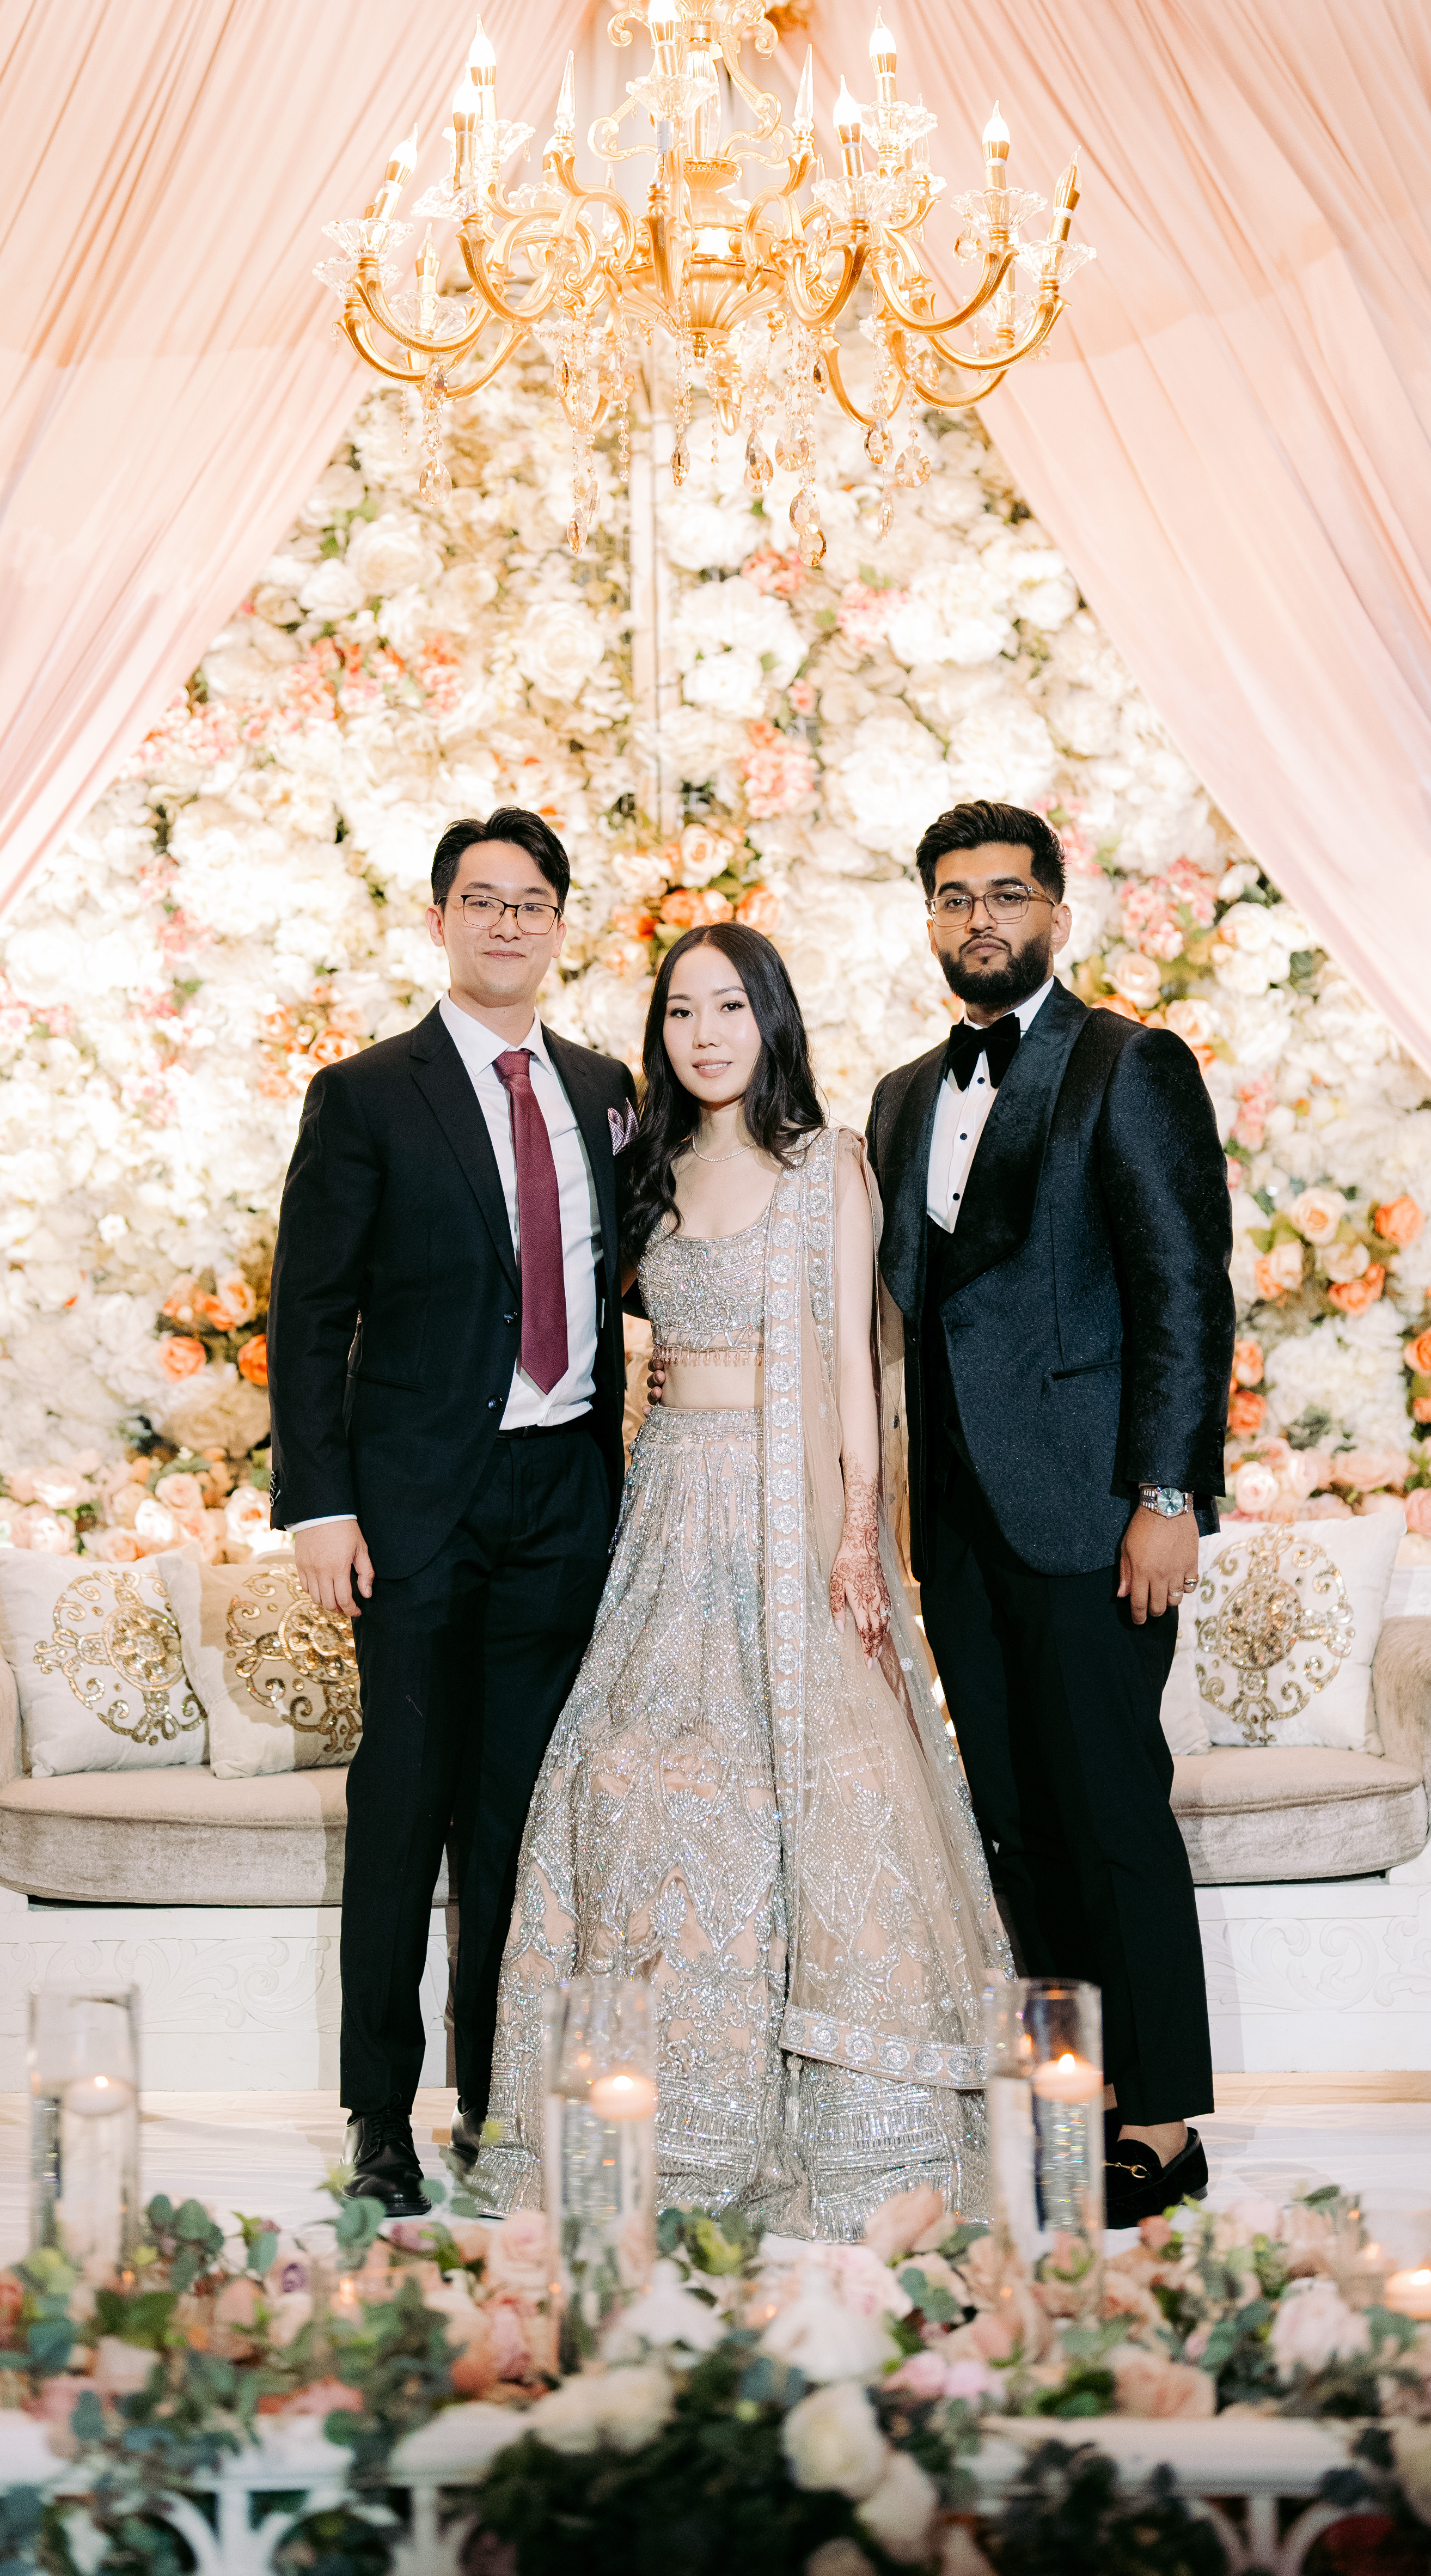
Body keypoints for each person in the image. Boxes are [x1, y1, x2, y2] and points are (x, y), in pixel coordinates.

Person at [471, 923, 1013, 2238]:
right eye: (679, 1011)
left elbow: (854, 1367)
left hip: (789, 1515)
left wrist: (857, 1533)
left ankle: (833, 2123)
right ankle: (649, 2114)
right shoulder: (644, 1172)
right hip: (668, 1508)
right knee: (622, 1775)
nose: (703, 1033)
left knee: (805, 1789)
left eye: (728, 1006)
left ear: (770, 1019)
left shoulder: (826, 1166)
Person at [865, 799, 1235, 2227]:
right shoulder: (903, 1096)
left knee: (1108, 1808)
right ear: (930, 920)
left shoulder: (1129, 1065)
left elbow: (1182, 1290)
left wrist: (1166, 1494)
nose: (981, 919)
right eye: (955, 898)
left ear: (1056, 916)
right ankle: (1069, 2102)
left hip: (1092, 1512)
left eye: (1006, 894)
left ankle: (1162, 2122)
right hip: (956, 1523)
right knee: (1013, 1820)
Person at [266, 808, 637, 2218]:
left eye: (530, 902)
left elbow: (632, 1265)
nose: (506, 923)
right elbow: (309, 1314)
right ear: (439, 921)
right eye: (481, 900)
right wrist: (320, 1506)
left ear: (559, 925)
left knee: (516, 1823)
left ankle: (493, 2104)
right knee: (403, 1807)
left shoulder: (605, 1087)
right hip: (417, 1503)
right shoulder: (367, 1094)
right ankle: (380, 2117)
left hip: (563, 1497)